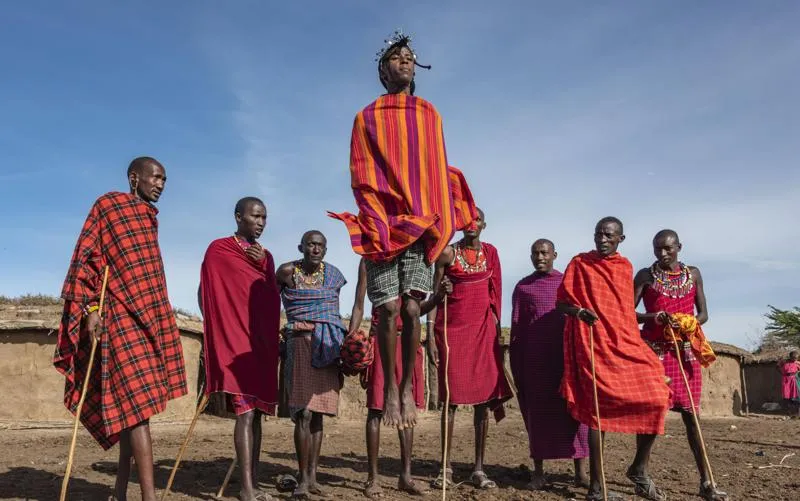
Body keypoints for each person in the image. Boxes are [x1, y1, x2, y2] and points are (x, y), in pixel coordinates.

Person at [329, 31, 478, 429]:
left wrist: (439, 214)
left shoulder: (430, 114)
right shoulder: (366, 117)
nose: (405, 61)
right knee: (389, 308)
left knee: (412, 307)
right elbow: (362, 172)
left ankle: (409, 387)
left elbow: (433, 166)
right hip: (382, 222)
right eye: (396, 58)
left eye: (410, 57)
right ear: (383, 71)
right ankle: (391, 390)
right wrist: (375, 215)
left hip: (420, 222)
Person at [53, 157, 187, 501]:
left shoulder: (148, 219)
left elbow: (147, 277)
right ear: (134, 178)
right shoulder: (109, 206)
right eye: (155, 177)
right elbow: (87, 258)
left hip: (148, 320)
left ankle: (119, 491)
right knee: (139, 410)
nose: (161, 184)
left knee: (132, 407)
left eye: (164, 179)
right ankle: (149, 497)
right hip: (119, 317)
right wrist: (92, 309)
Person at [556, 217, 670, 501]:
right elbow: (561, 304)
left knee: (657, 397)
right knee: (597, 414)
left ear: (621, 238)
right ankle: (597, 488)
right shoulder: (580, 264)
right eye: (598, 234)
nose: (602, 240)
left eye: (608, 235)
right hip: (592, 341)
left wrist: (650, 322)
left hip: (623, 342)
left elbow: (624, 312)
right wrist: (579, 312)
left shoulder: (624, 267)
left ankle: (639, 469)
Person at [634, 229, 727, 501]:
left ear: (679, 247)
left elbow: (704, 313)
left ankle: (707, 482)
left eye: (668, 249)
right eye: (657, 249)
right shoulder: (645, 276)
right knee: (653, 415)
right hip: (656, 354)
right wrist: (655, 317)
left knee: (692, 418)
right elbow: (628, 312)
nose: (663, 254)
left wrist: (689, 322)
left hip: (685, 354)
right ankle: (641, 473)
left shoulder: (693, 274)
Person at [198, 197, 281, 501]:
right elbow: (207, 289)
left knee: (256, 414)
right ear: (238, 217)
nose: (260, 222)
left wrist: (261, 265)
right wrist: (217, 331)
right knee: (245, 414)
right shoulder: (219, 249)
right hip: (235, 340)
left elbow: (272, 298)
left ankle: (253, 483)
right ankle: (247, 489)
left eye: (264, 217)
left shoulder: (267, 257)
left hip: (259, 343)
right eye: (255, 216)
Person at [423, 208, 511, 489]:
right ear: (459, 225)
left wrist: (497, 332)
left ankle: (478, 469)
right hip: (452, 334)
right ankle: (445, 468)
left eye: (476, 220)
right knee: (451, 401)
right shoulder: (447, 253)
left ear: (484, 224)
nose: (471, 224)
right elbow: (433, 297)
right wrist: (430, 335)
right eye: (466, 220)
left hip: (483, 333)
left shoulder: (491, 253)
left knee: (483, 402)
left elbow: (495, 293)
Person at [510, 239, 589, 491]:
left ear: (555, 254)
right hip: (535, 361)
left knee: (575, 413)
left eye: (544, 253)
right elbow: (517, 327)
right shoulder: (523, 287)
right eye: (535, 253)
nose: (539, 257)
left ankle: (581, 473)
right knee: (537, 414)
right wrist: (518, 363)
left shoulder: (567, 282)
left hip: (565, 359)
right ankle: (539, 473)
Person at [348, 258, 427, 497]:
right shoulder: (370, 257)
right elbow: (359, 304)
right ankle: (373, 478)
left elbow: (418, 309)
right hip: (381, 339)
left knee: (406, 408)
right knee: (375, 409)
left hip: (408, 342)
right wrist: (351, 339)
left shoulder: (414, 257)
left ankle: (406, 475)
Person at [276, 231, 347, 498]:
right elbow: (272, 302)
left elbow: (332, 312)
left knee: (318, 414)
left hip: (326, 343)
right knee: (303, 413)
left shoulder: (334, 276)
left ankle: (313, 477)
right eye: (310, 244)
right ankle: (302, 478)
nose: (315, 249)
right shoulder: (286, 272)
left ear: (325, 250)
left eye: (320, 245)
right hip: (299, 342)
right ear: (301, 247)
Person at [780, 351, 800, 418]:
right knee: (786, 396)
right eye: (794, 358)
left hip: (794, 379)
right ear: (790, 357)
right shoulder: (784, 362)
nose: (795, 359)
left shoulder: (797, 363)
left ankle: (796, 413)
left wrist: (796, 373)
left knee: (795, 395)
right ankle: (789, 412)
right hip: (786, 380)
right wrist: (782, 373)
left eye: (796, 358)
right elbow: (777, 367)